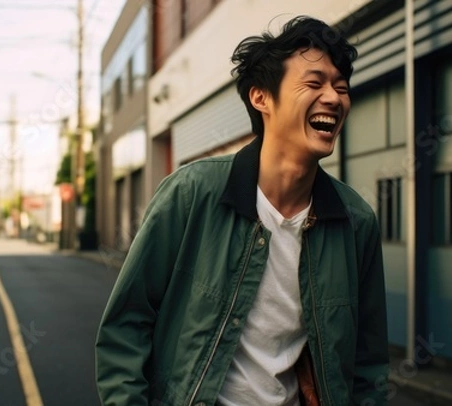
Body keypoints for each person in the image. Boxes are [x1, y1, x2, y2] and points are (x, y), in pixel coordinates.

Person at [96, 15, 389, 406]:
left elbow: (367, 365)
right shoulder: (192, 194)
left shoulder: (355, 222)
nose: (334, 98)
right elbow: (126, 327)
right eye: (314, 83)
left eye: (341, 87)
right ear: (261, 97)